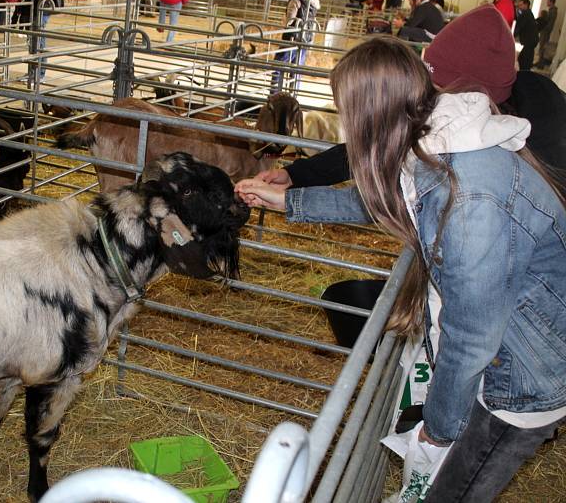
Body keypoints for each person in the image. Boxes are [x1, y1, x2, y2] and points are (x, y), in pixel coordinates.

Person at [237, 36, 566, 502]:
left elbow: (471, 338)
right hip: (513, 353)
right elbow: (397, 200)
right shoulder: (439, 140)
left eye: (348, 114)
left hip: (523, 381)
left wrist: (439, 424)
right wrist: (290, 199)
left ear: (370, 115)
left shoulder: (470, 197)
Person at [255, 4, 566, 189]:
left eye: (438, 85)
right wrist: (296, 176)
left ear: (470, 93)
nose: (430, 95)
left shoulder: (500, 150)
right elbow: (386, 145)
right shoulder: (468, 111)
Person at [272, 0, 319, 91]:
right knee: (296, 69)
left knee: (279, 65)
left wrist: (287, 24)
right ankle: (293, 94)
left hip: (292, 37)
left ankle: (274, 93)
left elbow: (290, 20)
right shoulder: (313, 3)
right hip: (305, 39)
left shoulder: (296, 0)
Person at [22, 0, 60, 80]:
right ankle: (33, 72)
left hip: (40, 10)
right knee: (34, 43)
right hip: (35, 9)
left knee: (38, 42)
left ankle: (39, 74)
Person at [514, 0, 538, 70]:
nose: (519, 7)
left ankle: (524, 74)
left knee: (524, 60)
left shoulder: (525, 14)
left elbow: (519, 26)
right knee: (526, 58)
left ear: (526, 5)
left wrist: (512, 35)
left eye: (521, 5)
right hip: (531, 40)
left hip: (528, 40)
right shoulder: (529, 13)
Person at [537, 0, 557, 67]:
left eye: (548, 1)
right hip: (545, 31)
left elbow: (550, 22)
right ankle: (540, 62)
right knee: (542, 46)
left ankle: (541, 63)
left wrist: (545, 29)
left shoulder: (553, 11)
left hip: (546, 31)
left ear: (551, 2)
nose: (547, 2)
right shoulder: (551, 10)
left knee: (543, 47)